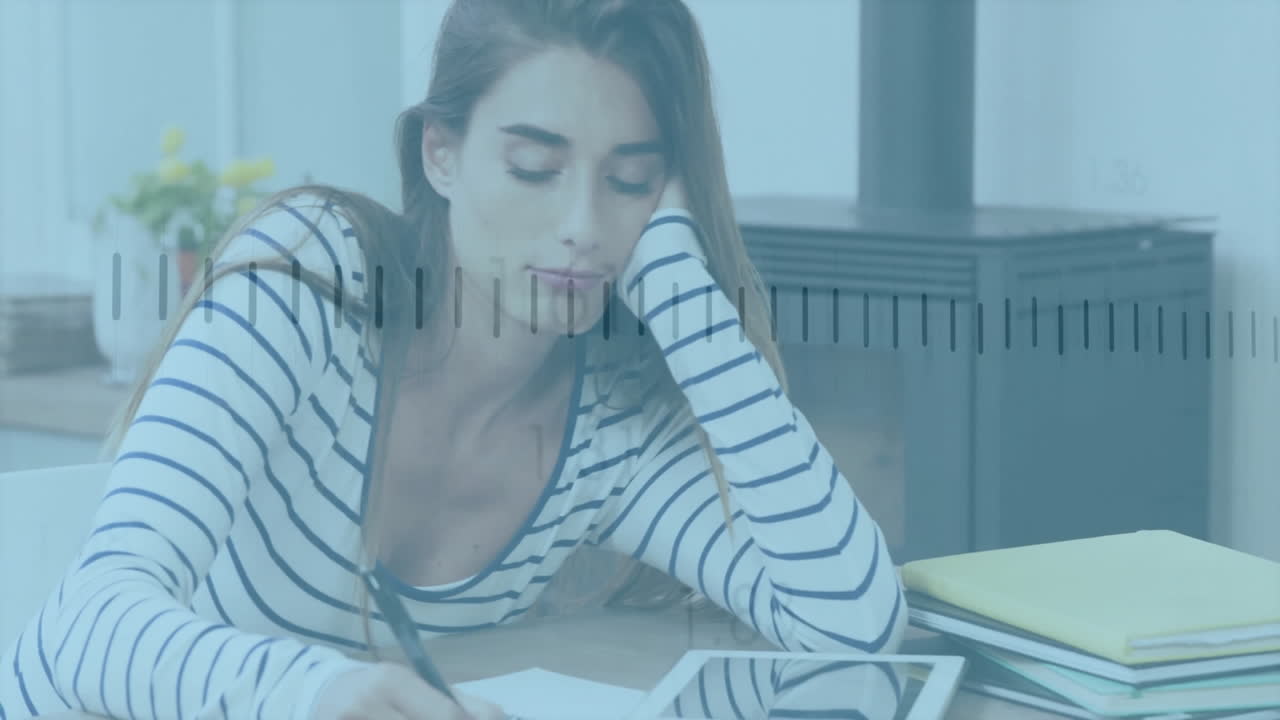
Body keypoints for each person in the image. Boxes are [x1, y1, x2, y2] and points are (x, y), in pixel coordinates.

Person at [0, 1, 906, 718]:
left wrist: (689, 302)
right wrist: (309, 691)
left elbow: (854, 629)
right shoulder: (313, 276)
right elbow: (88, 619)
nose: (585, 228)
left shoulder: (613, 424)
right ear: (442, 154)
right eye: (533, 167)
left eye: (630, 182)